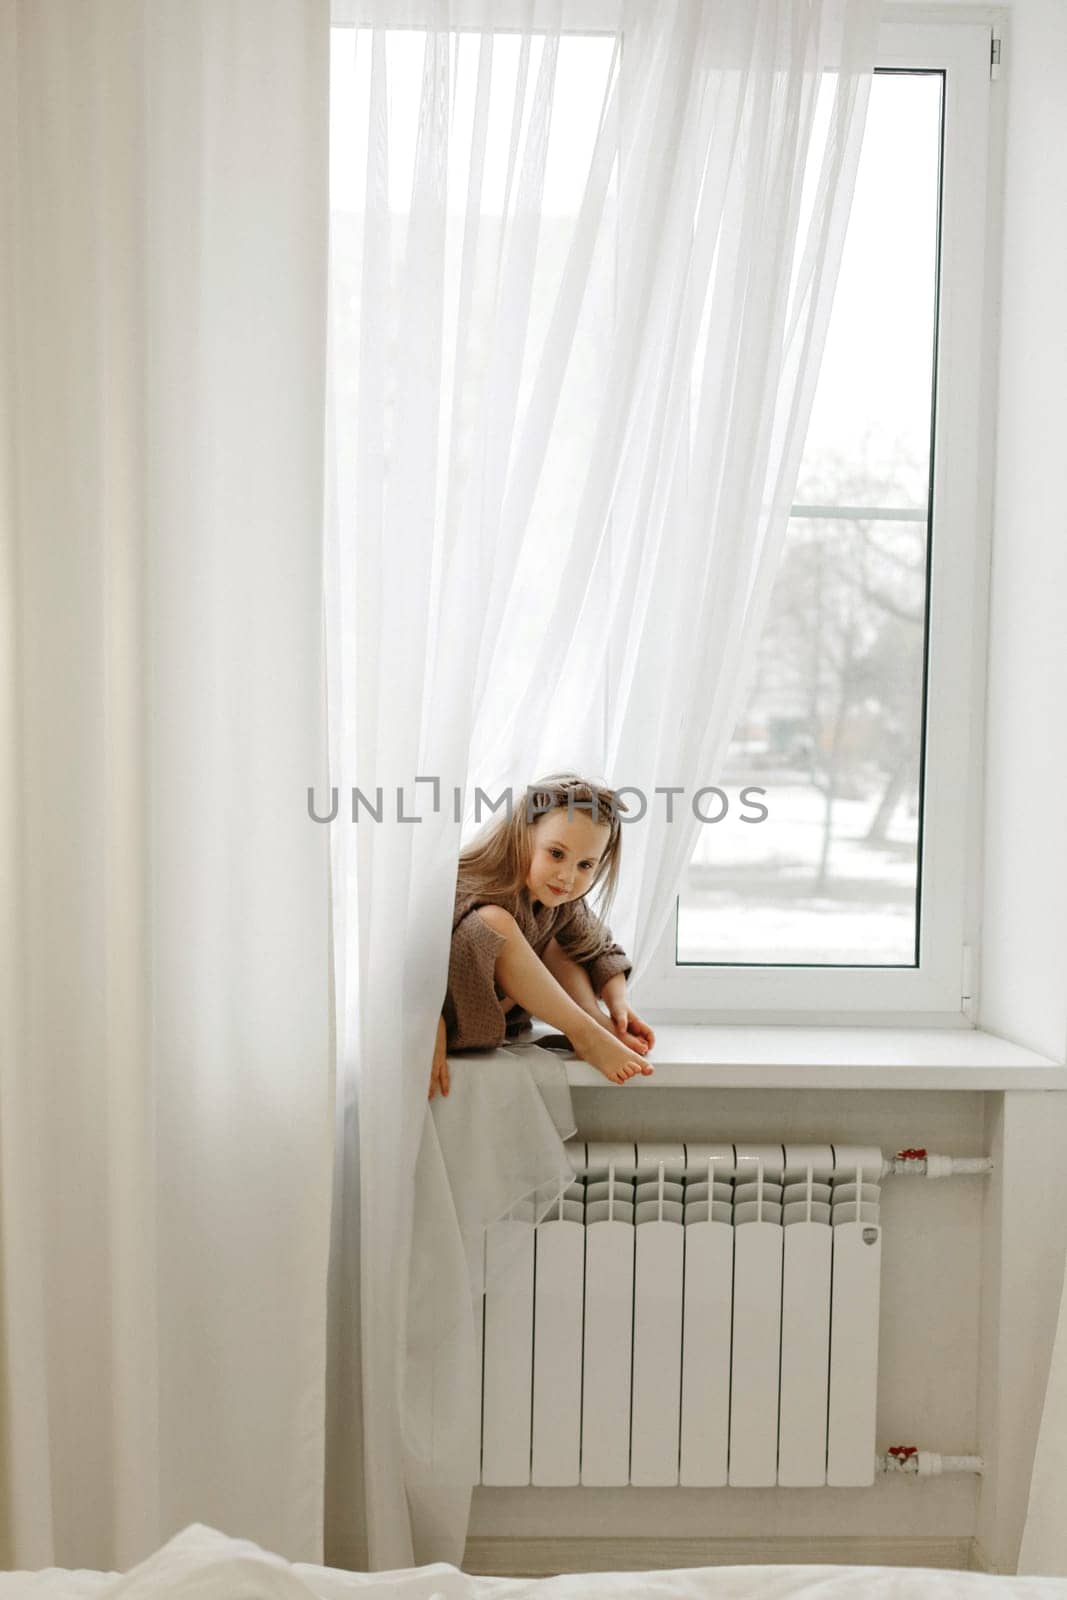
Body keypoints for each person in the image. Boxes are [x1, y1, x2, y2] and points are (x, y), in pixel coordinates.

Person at [430, 773, 656, 1098]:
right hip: (455, 1017)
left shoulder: (559, 899)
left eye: (585, 865)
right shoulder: (465, 881)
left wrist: (617, 1003)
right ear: (524, 836)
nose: (567, 876)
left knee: (560, 937)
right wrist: (427, 1018)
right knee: (496, 922)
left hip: (500, 1018)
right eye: (556, 854)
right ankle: (585, 1034)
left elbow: (599, 948)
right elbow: (411, 953)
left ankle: (592, 1020)